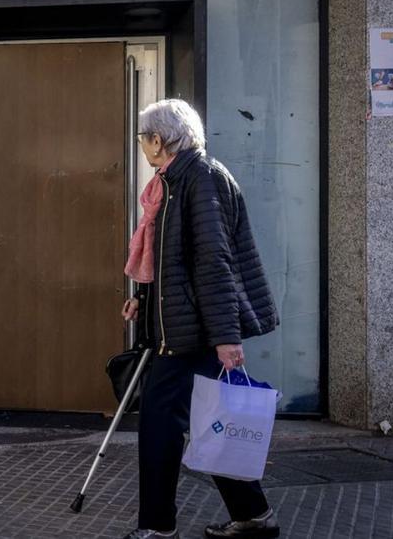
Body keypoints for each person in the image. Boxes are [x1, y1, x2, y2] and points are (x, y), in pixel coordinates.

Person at [120, 99, 280, 539]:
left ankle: (157, 527)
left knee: (160, 426)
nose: (141, 146)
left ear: (159, 139)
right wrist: (144, 295)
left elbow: (213, 262)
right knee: (212, 423)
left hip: (193, 336)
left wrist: (228, 339)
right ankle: (254, 516)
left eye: (142, 138)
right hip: (186, 330)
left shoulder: (201, 179)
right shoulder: (171, 182)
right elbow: (171, 257)